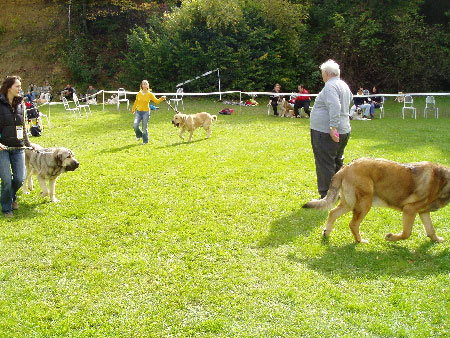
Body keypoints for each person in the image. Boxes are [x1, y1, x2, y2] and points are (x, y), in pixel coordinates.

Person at [309, 59, 352, 198]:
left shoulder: (330, 86)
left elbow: (335, 106)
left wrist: (333, 127)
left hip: (326, 132)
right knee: (337, 161)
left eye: (322, 73)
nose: (322, 76)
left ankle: (327, 196)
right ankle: (339, 192)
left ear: (326, 73)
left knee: (325, 163)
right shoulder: (344, 85)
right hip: (344, 129)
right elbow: (348, 103)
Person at [0, 76, 32, 218]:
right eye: (17, 86)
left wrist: (29, 144)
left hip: (18, 147)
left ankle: (11, 196)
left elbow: (23, 127)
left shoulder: (21, 104)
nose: (20, 89)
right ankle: (7, 208)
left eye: (20, 86)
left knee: (20, 178)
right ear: (9, 88)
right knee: (6, 180)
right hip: (2, 149)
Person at [131, 80, 166, 144]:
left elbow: (156, 101)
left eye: (146, 84)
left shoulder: (150, 94)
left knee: (144, 128)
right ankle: (139, 135)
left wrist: (161, 98)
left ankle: (145, 141)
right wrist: (133, 109)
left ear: (148, 85)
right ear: (141, 85)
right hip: (138, 112)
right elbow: (136, 102)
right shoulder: (138, 94)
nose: (144, 85)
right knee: (135, 125)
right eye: (143, 84)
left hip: (146, 113)